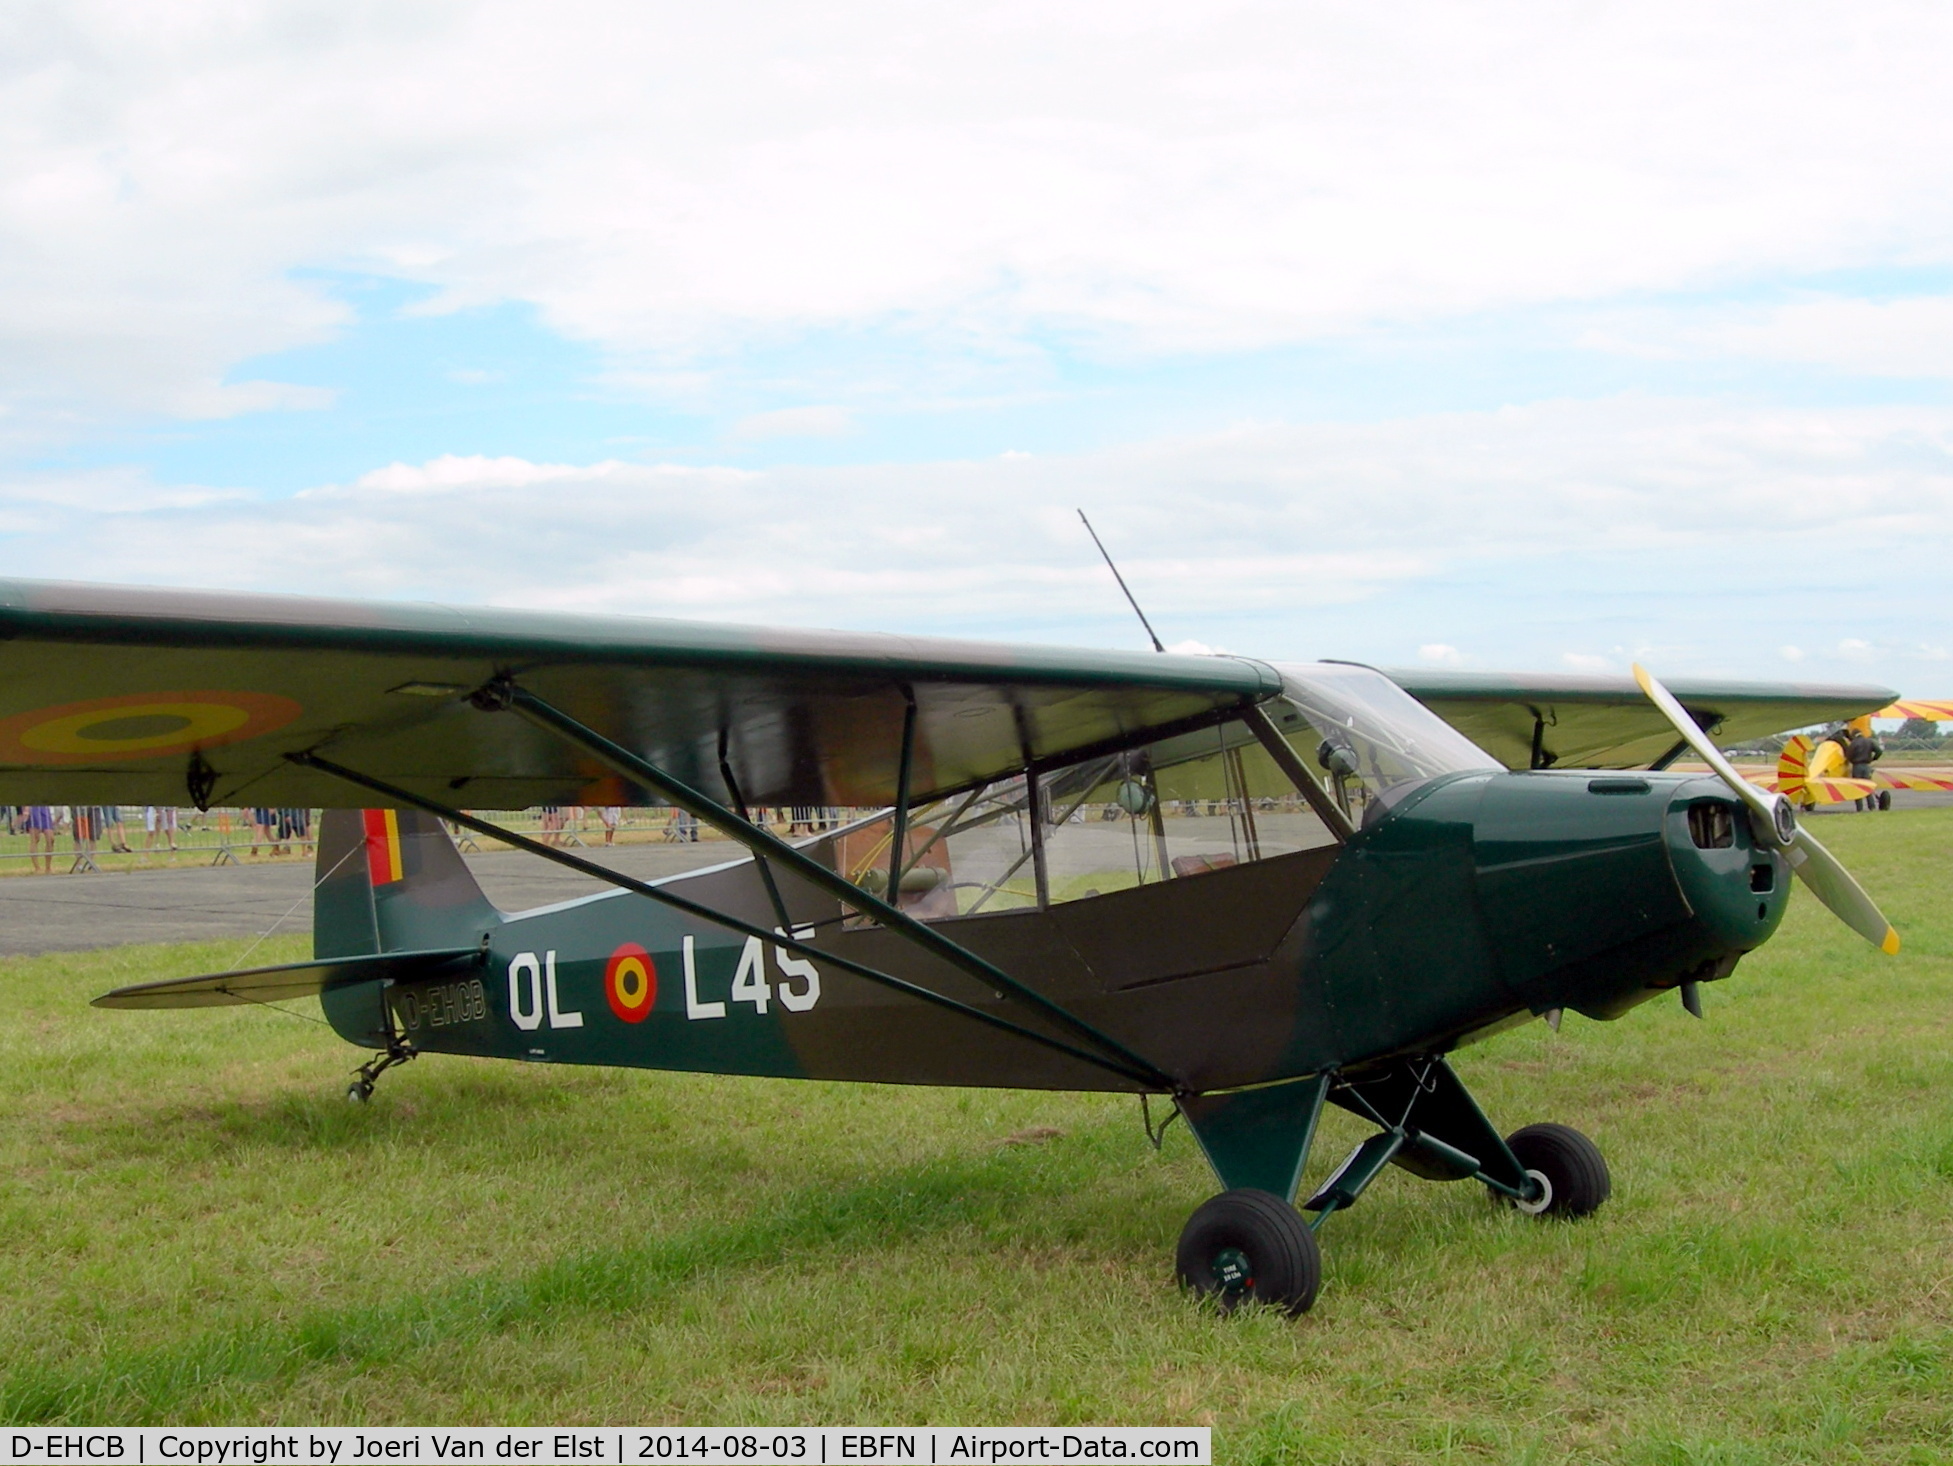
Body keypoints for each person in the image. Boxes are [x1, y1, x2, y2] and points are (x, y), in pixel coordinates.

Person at [1846, 724, 1883, 812]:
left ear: (1853, 735)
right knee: (1867, 786)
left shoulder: (1853, 743)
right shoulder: (1869, 741)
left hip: (1857, 767)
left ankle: (1859, 808)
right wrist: (1873, 758)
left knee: (1857, 787)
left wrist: (1852, 761)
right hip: (1867, 766)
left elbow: (1848, 756)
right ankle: (1872, 807)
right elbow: (1879, 751)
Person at [25, 804, 56, 873]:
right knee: (35, 838)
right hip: (33, 808)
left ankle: (48, 867)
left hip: (44, 807)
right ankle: (37, 868)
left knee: (51, 839)